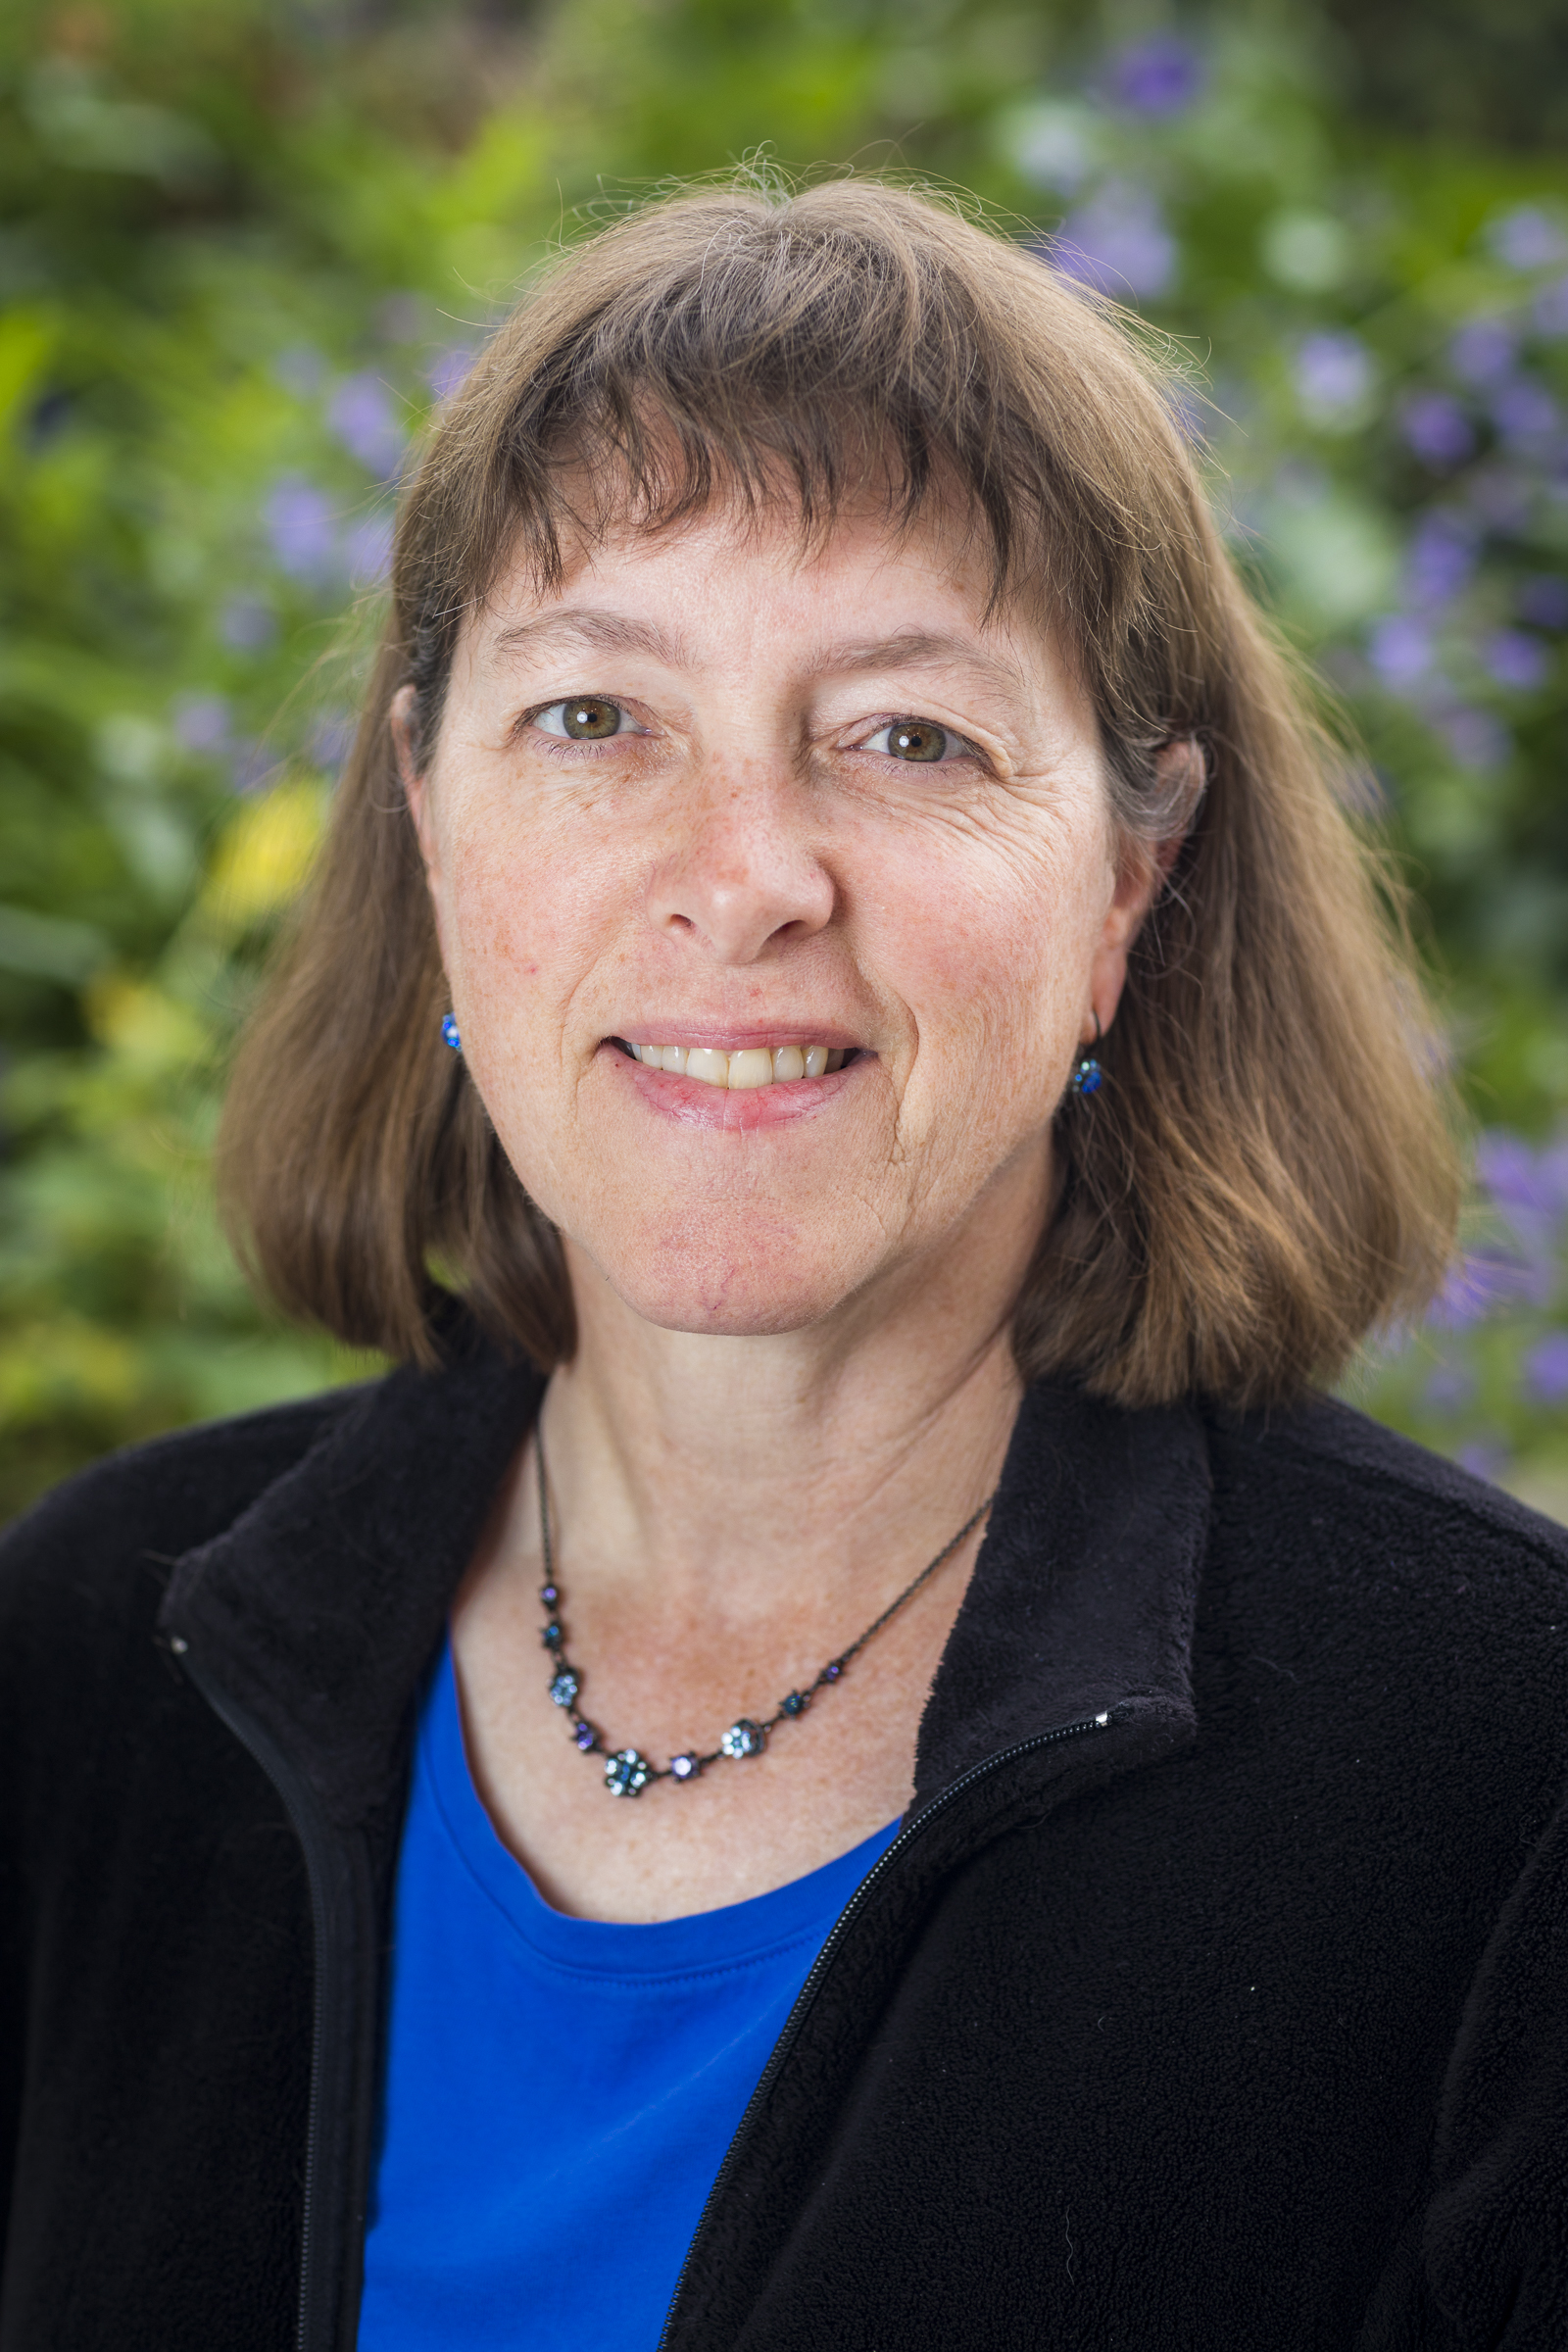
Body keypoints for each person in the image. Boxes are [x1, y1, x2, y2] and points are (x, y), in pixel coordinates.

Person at [2, 177, 1565, 2352]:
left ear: (1133, 875)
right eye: (592, 720)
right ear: (429, 821)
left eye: (904, 736)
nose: (741, 883)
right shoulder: (92, 1650)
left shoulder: (1499, 1778)